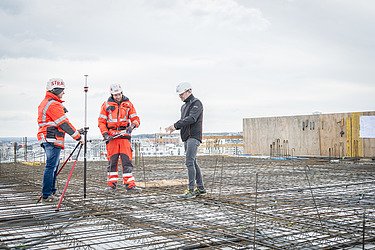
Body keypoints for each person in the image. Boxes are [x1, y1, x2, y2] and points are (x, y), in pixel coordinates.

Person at [37, 78, 84, 202]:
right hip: (51, 138)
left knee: (53, 167)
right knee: (51, 167)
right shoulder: (53, 104)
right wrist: (77, 137)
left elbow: (59, 124)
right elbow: (63, 123)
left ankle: (50, 192)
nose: (64, 93)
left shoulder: (47, 102)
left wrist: (77, 131)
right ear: (56, 90)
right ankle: (47, 194)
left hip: (49, 138)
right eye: (62, 91)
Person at [98, 83, 141, 192]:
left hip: (124, 137)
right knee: (112, 162)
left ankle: (130, 185)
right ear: (112, 94)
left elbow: (135, 118)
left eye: (119, 94)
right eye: (115, 95)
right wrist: (105, 134)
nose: (117, 96)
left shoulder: (128, 104)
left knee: (127, 161)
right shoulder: (106, 105)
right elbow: (101, 122)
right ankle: (111, 185)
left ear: (122, 93)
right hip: (112, 137)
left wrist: (132, 125)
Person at [165, 82, 206, 199]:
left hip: (194, 136)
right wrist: (175, 126)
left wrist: (175, 126)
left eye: (182, 94)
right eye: (179, 95)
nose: (180, 96)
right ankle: (201, 188)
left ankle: (191, 190)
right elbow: (184, 120)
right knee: (193, 162)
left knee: (189, 162)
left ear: (189, 91)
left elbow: (192, 119)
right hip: (186, 137)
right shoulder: (183, 106)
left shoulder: (196, 103)